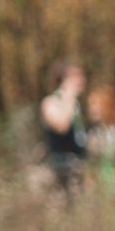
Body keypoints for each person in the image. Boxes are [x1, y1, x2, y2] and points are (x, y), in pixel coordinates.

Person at [39, 61, 88, 193]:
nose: (82, 80)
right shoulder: (51, 102)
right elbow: (61, 126)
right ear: (63, 80)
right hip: (60, 169)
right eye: (76, 76)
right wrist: (69, 97)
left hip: (78, 166)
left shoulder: (76, 105)